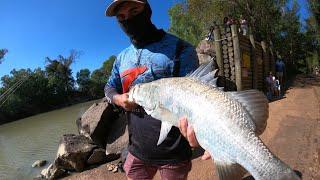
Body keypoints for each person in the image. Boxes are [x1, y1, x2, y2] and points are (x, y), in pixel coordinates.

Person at [104, 1, 209, 179]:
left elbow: (198, 99)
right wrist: (117, 99)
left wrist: (210, 135)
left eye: (134, 11)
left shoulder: (180, 49)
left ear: (148, 10)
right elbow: (109, 86)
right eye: (121, 17)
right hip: (136, 150)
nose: (128, 19)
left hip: (173, 153)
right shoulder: (121, 58)